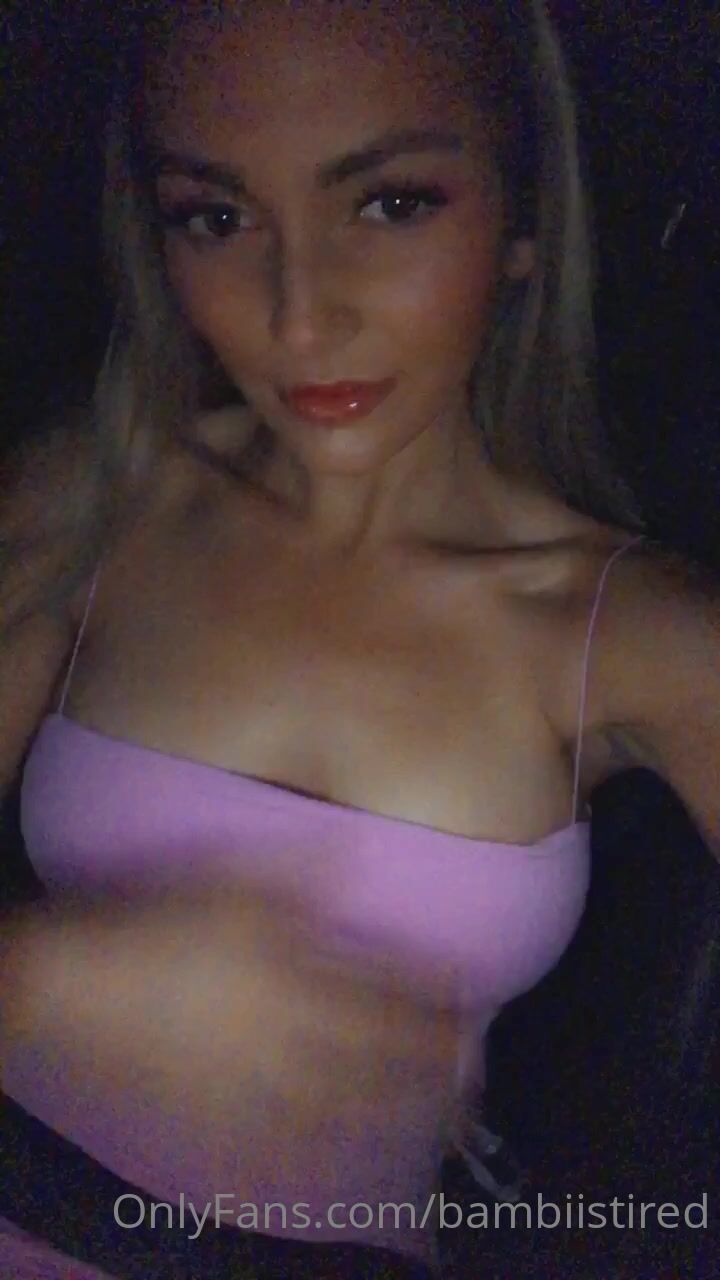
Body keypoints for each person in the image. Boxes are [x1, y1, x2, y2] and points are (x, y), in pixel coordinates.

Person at [1, 1, 718, 1276]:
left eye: (390, 204)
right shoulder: (98, 497)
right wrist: (47, 978)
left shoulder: (630, 628)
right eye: (216, 217)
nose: (300, 316)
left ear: (522, 221)